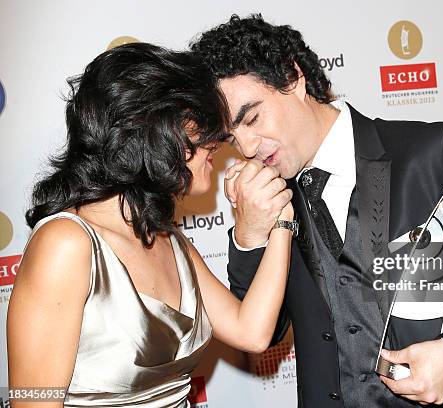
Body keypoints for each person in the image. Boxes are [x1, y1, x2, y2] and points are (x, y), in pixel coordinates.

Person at [190, 15, 443, 408]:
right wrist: (249, 236)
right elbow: (268, 330)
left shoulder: (433, 153)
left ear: (292, 78)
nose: (246, 147)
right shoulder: (272, 197)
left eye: (253, 118)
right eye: (232, 137)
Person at [6, 43, 294, 408]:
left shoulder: (168, 238)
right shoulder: (66, 244)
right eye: (193, 117)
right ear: (151, 128)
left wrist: (281, 218)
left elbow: (252, 332)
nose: (218, 138)